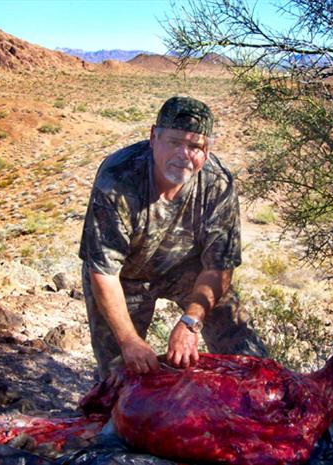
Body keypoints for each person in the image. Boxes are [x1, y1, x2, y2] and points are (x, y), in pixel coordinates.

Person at [79, 96, 267, 378]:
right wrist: (129, 341)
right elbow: (103, 272)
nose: (184, 154)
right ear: (154, 137)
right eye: (175, 142)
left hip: (186, 269)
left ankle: (256, 407)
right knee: (120, 376)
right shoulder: (118, 178)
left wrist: (190, 321)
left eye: (195, 146)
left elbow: (219, 266)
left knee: (247, 354)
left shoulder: (218, 184)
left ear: (206, 150)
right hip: (124, 277)